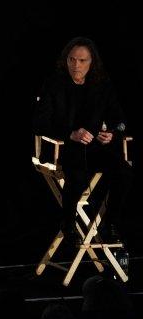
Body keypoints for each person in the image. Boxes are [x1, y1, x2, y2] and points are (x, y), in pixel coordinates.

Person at [33, 37, 133, 244]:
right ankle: (68, 221)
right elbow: (40, 123)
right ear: (66, 60)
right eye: (72, 60)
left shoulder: (102, 84)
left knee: (123, 171)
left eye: (82, 61)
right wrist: (71, 133)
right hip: (64, 147)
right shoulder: (54, 83)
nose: (76, 65)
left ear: (92, 62)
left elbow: (120, 119)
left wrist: (113, 133)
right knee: (77, 173)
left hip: (96, 147)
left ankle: (110, 222)